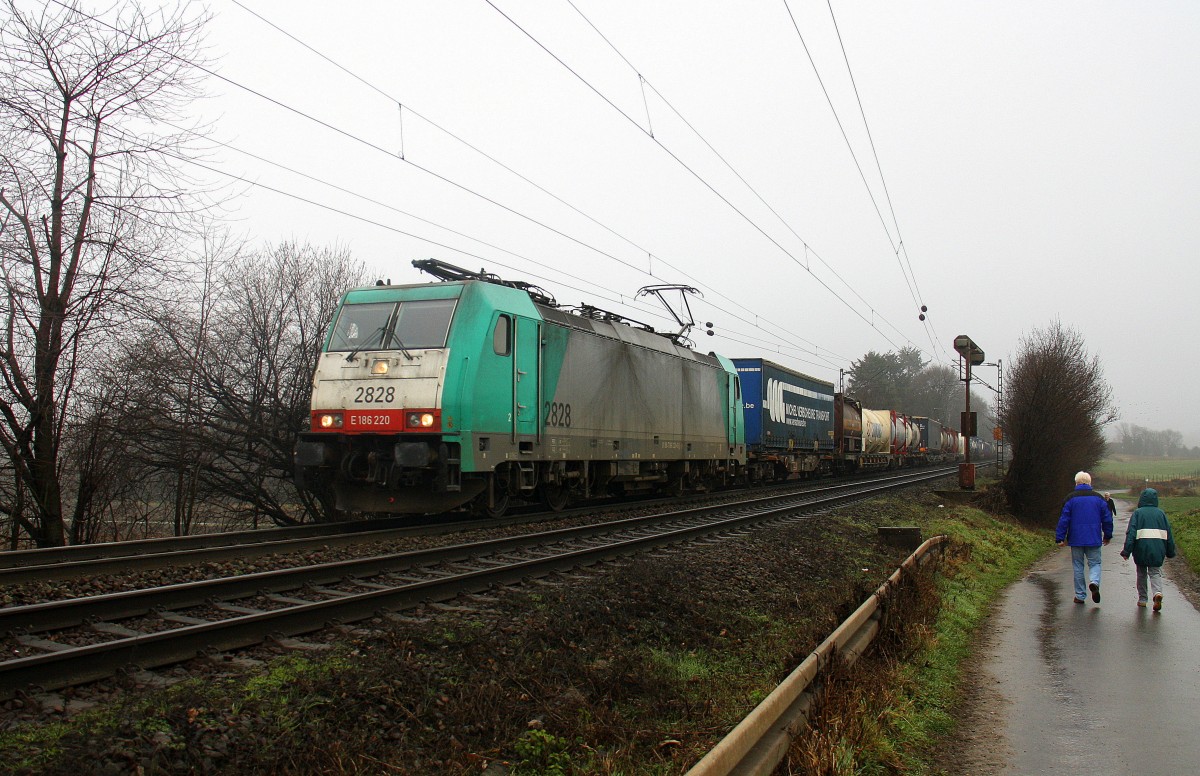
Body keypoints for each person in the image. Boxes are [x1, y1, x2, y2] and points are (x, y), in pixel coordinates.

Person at [1055, 471, 1114, 604]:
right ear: (1089, 482)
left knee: (1078, 566)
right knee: (1095, 563)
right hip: (1094, 537)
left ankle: (1080, 595)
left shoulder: (1070, 499)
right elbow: (1107, 519)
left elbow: (1064, 519)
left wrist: (1060, 537)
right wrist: (1108, 535)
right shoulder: (1099, 499)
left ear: (1076, 483)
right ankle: (1094, 581)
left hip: (1075, 538)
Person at [1120, 487, 1176, 611]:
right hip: (1157, 549)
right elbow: (1169, 534)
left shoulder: (1138, 513)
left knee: (1141, 574)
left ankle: (1142, 599)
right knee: (1155, 572)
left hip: (1140, 549)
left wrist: (1126, 551)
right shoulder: (1161, 514)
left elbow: (1131, 534)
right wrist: (1170, 552)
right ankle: (1157, 593)